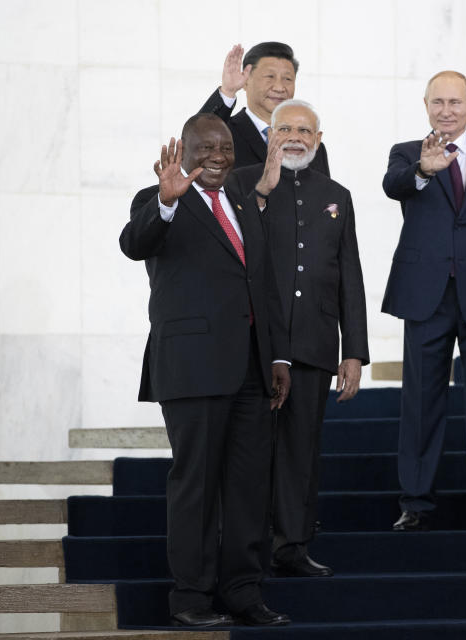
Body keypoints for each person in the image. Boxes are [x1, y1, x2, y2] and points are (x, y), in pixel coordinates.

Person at [120, 113, 292, 627]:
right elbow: (135, 244)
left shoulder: (242, 202)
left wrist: (277, 356)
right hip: (193, 369)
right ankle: (191, 598)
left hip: (250, 369)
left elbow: (260, 283)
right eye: (206, 147)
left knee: (247, 486)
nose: (218, 156)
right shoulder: (159, 200)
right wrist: (166, 201)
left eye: (225, 147)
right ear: (185, 149)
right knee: (195, 483)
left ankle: (243, 591)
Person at [230, 99, 369, 577]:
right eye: (284, 128)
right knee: (252, 450)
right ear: (269, 135)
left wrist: (353, 351)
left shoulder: (337, 194)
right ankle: (247, 548)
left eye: (304, 130)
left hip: (314, 343)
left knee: (302, 452)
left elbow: (349, 274)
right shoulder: (244, 183)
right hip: (258, 344)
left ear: (318, 139)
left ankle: (292, 545)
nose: (294, 137)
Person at [381, 71, 466, 533]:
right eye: (437, 102)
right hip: (427, 296)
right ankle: (416, 502)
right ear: (425, 105)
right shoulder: (408, 154)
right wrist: (425, 170)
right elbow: (394, 184)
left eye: (455, 102)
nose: (446, 110)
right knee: (421, 401)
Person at [201, 42, 330, 174]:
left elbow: (325, 192)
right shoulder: (225, 134)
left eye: (287, 79)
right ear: (246, 81)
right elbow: (196, 139)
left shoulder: (310, 144)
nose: (279, 87)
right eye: (270, 77)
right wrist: (228, 91)